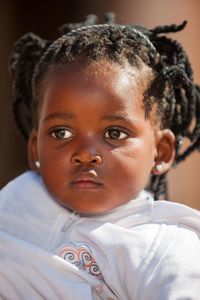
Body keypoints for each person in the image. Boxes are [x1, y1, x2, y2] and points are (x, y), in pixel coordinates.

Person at [0, 12, 200, 299]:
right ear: (35, 150)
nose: (85, 154)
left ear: (161, 152)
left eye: (114, 133)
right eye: (61, 133)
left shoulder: (164, 247)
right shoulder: (14, 202)